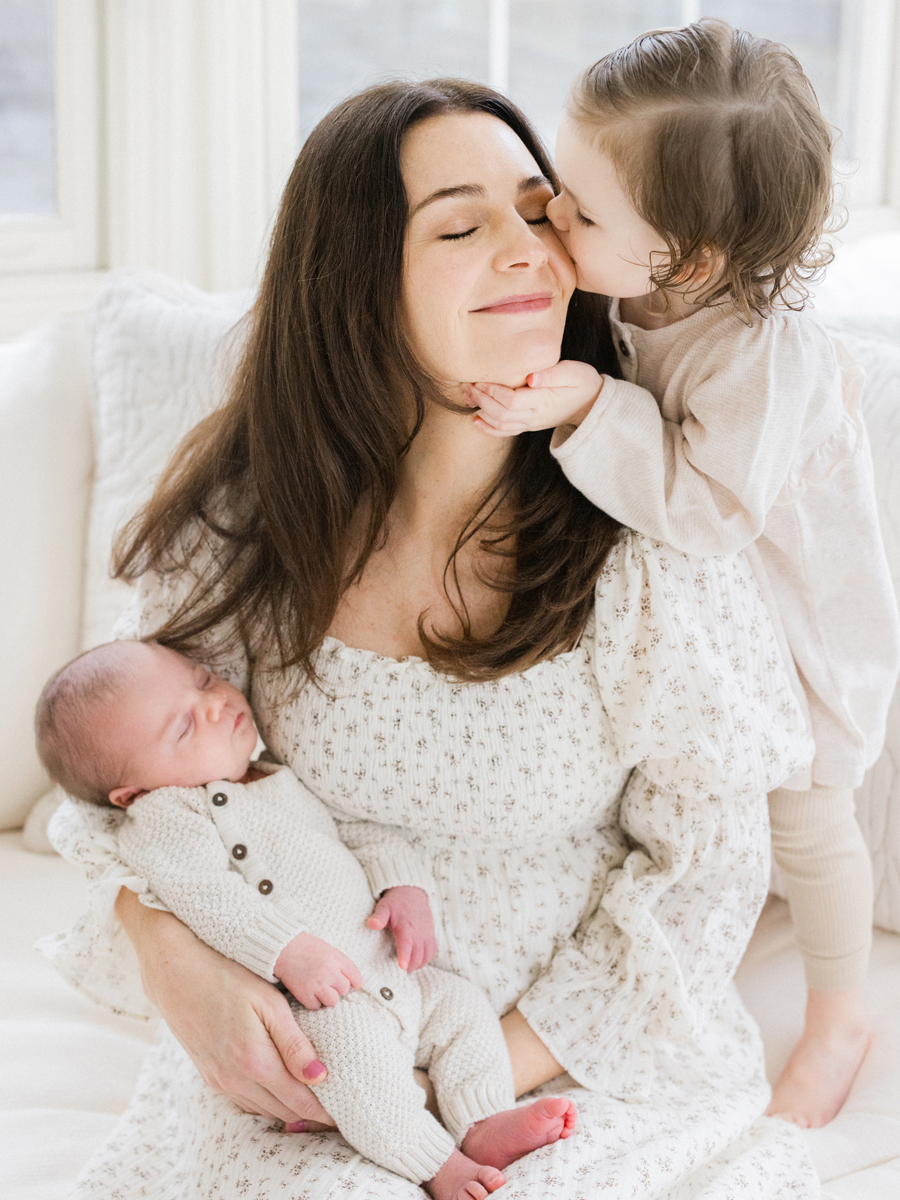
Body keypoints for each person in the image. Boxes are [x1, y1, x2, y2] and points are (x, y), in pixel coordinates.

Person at [43, 78, 820, 1198]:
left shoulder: (649, 538)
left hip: (557, 1060)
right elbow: (109, 784)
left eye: (544, 213)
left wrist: (451, 1075)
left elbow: (706, 874)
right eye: (461, 225)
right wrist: (182, 969)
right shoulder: (248, 521)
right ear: (355, 284)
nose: (532, 253)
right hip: (299, 1042)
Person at [465, 19, 900, 1130]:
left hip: (805, 625)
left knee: (810, 813)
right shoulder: (629, 274)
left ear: (690, 261)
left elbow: (707, 511)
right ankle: (718, 915)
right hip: (710, 628)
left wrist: (586, 405)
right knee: (699, 805)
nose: (553, 219)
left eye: (581, 212)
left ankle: (843, 1007)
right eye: (558, 186)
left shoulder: (759, 356)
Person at [35, 638, 577, 1200]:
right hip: (316, 1003)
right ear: (131, 792)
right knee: (356, 1074)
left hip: (391, 970)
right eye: (183, 729)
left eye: (201, 681)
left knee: (464, 1013)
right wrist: (287, 950)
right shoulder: (165, 817)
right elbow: (205, 896)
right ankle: (437, 1163)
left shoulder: (275, 776)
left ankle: (483, 1122)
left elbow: (353, 835)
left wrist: (402, 886)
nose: (217, 705)